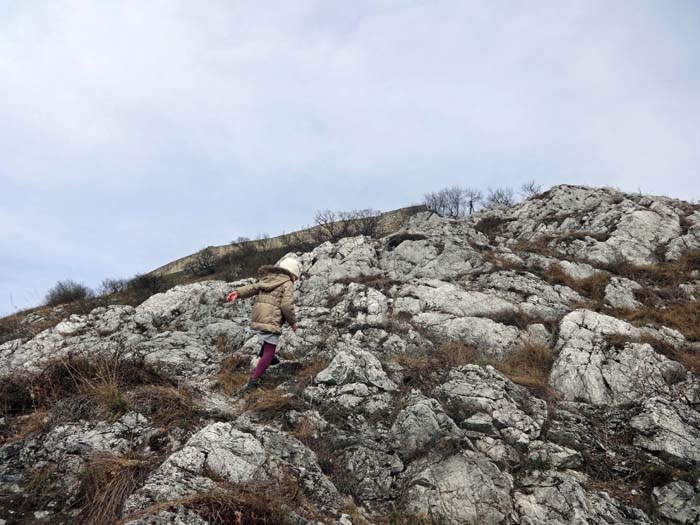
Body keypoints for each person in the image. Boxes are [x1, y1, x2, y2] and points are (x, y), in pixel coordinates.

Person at [226, 258, 301, 392]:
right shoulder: (287, 282)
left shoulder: (268, 278)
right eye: (296, 278)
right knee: (269, 350)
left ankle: (273, 361)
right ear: (293, 274)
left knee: (267, 341)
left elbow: (254, 288)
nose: (295, 281)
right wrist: (293, 322)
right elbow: (286, 305)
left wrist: (238, 292)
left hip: (258, 315)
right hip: (271, 318)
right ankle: (253, 382)